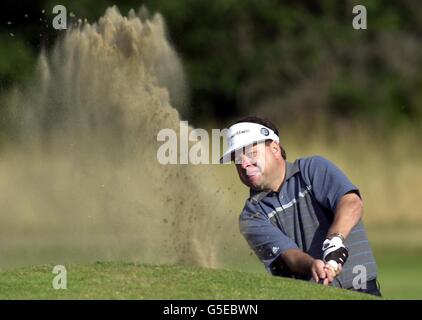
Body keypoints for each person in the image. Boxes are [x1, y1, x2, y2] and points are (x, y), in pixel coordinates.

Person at [220, 116, 381, 296]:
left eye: (251, 153)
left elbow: (351, 203)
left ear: (274, 148)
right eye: (237, 159)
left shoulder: (312, 170)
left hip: (362, 288)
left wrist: (334, 240)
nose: (244, 164)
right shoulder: (251, 216)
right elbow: (288, 255)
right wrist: (312, 265)